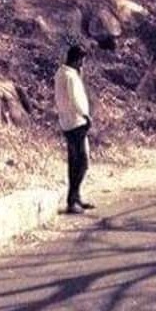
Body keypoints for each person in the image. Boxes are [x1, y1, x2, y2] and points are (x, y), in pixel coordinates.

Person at [54, 38, 95, 214]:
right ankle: (72, 200)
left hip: (67, 121)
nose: (83, 64)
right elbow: (75, 99)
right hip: (76, 121)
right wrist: (86, 115)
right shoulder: (70, 76)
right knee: (82, 162)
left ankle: (76, 197)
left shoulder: (61, 73)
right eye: (82, 60)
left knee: (75, 161)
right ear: (77, 60)